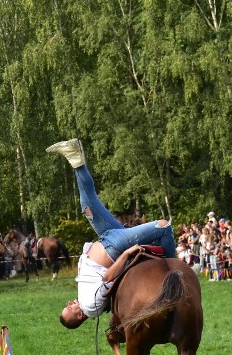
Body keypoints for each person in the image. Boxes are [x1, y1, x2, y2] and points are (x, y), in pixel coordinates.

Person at [46, 139, 177, 328]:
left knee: (87, 205)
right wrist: (127, 253)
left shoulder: (85, 302)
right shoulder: (90, 307)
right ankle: (174, 272)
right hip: (114, 245)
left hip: (106, 236)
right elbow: (107, 278)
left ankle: (75, 158)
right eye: (69, 309)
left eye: (67, 306)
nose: (69, 303)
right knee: (164, 226)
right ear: (80, 317)